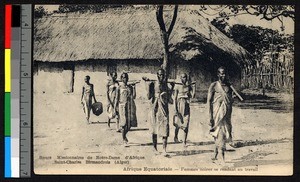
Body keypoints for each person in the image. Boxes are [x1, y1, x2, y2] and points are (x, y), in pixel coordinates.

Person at [143, 69, 174, 156]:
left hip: (163, 110)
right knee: (154, 129)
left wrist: (171, 89)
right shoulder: (153, 84)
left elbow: (170, 100)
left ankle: (164, 149)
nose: (161, 77)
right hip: (155, 109)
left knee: (165, 128)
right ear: (157, 75)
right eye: (159, 75)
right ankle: (154, 148)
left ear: (164, 76)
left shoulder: (166, 86)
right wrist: (148, 86)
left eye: (162, 75)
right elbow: (149, 97)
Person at [207, 67, 234, 163]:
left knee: (221, 134)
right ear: (218, 74)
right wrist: (210, 116)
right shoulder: (214, 85)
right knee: (218, 134)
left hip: (226, 114)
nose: (223, 75)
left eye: (225, 73)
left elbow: (230, 101)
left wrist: (231, 99)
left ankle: (218, 155)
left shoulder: (229, 86)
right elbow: (209, 101)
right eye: (221, 74)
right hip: (216, 114)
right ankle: (220, 156)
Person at [173, 73, 195, 147]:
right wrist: (175, 109)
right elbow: (175, 98)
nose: (183, 79)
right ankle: (175, 137)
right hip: (179, 105)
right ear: (180, 78)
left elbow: (193, 95)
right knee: (178, 123)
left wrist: (194, 87)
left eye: (185, 77)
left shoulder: (188, 86)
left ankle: (184, 142)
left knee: (186, 123)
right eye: (182, 77)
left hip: (186, 105)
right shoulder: (177, 86)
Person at [116, 72, 137, 146]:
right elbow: (116, 98)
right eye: (123, 77)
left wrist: (134, 88)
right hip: (121, 106)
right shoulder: (119, 88)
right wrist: (116, 107)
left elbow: (134, 96)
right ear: (121, 79)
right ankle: (123, 139)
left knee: (129, 124)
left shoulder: (129, 87)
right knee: (123, 123)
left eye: (126, 77)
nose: (125, 79)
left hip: (129, 106)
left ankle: (124, 135)